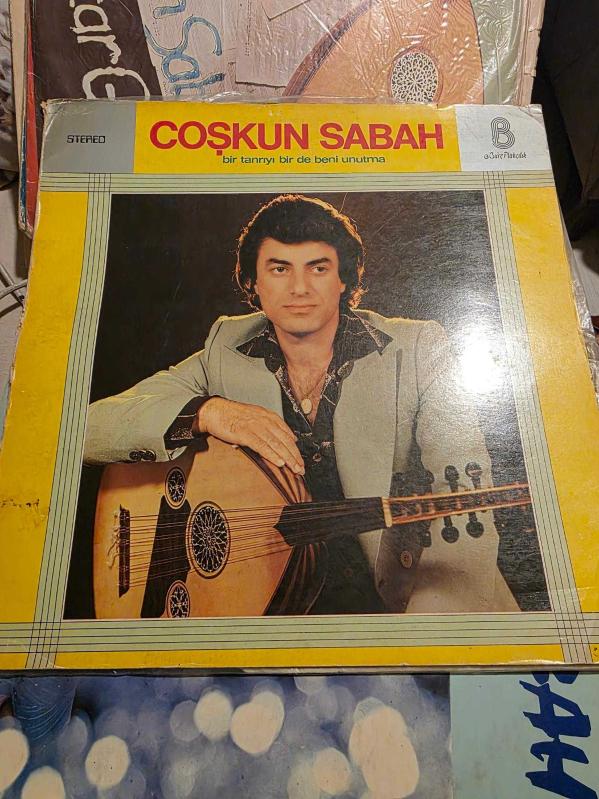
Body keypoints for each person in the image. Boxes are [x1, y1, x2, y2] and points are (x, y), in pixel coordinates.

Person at [84, 194, 518, 614]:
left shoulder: (419, 348)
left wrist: (424, 630)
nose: (299, 288)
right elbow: (88, 428)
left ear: (343, 279)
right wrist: (211, 411)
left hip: (408, 598)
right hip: (274, 605)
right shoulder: (226, 348)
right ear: (252, 283)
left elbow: (469, 506)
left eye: (318, 268)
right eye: (279, 268)